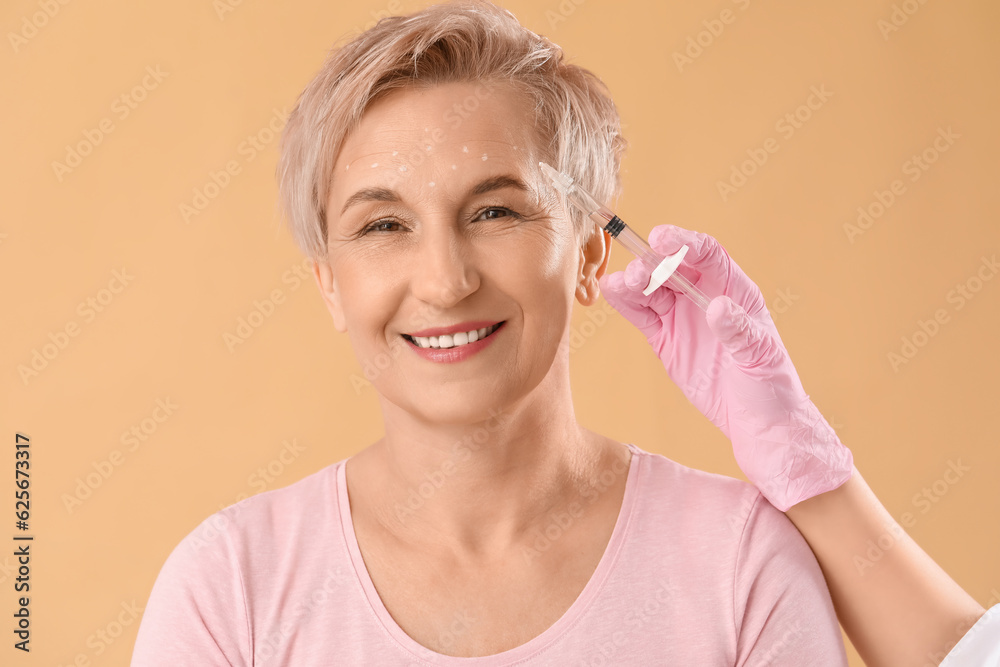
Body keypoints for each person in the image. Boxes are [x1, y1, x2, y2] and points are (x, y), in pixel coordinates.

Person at [130, 1, 998, 665]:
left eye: (496, 210)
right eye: (384, 226)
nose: (445, 280)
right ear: (329, 281)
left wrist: (811, 476)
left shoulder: (740, 569)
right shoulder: (228, 589)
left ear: (589, 253)